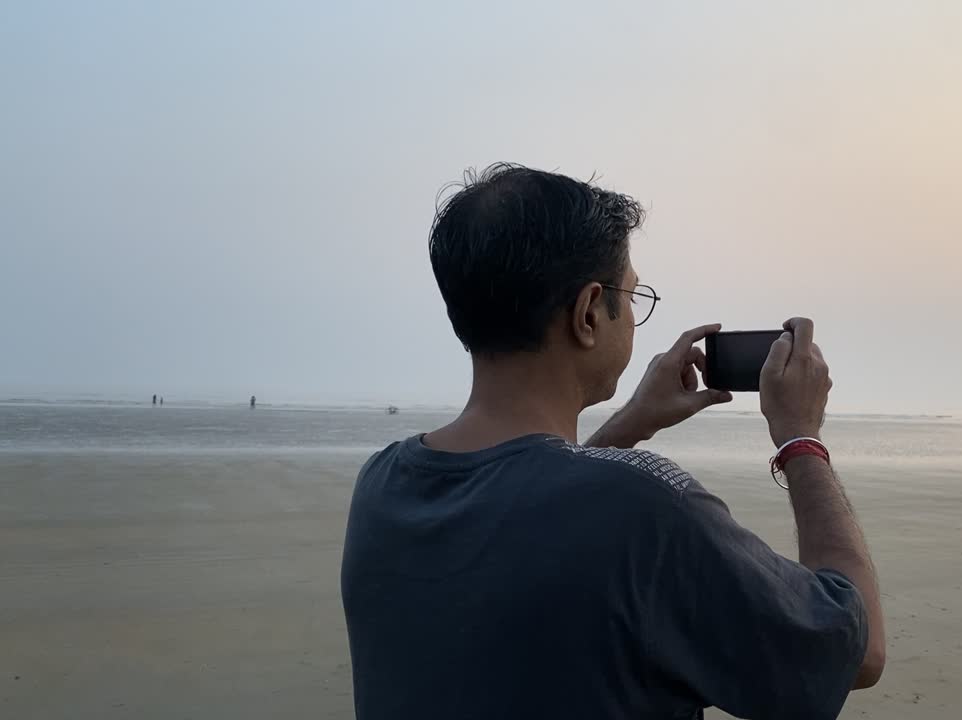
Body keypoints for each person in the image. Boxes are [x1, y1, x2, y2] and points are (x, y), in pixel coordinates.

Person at [341, 165, 885, 720]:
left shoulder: (384, 485)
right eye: (633, 294)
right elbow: (856, 649)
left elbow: (533, 505)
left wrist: (628, 425)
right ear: (588, 313)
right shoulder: (645, 510)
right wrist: (800, 436)